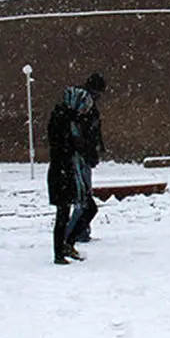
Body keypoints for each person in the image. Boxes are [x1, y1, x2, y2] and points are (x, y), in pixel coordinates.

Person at [47, 87, 93, 265]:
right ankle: (59, 252)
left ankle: (67, 244)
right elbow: (61, 146)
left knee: (85, 208)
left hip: (71, 172)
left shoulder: (72, 119)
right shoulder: (62, 119)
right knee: (63, 214)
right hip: (63, 173)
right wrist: (77, 146)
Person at [68, 72, 106, 245]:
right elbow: (90, 132)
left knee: (83, 198)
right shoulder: (84, 107)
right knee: (83, 198)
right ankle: (74, 234)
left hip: (82, 156)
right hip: (81, 157)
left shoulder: (83, 106)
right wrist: (92, 150)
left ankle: (80, 231)